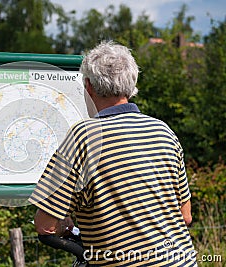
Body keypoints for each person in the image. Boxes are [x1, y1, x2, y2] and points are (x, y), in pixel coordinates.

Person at [29, 40, 197, 266]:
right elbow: (185, 216)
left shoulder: (83, 137)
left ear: (88, 87)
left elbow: (45, 225)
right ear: (132, 84)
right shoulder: (163, 130)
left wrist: (64, 225)